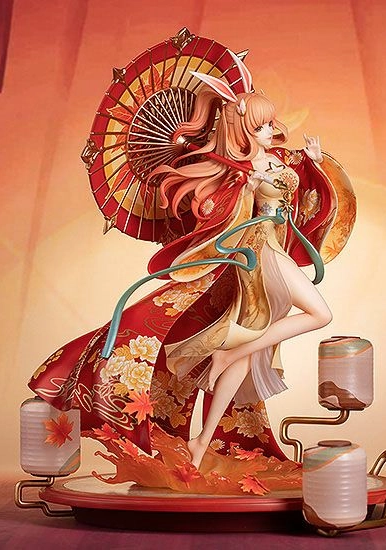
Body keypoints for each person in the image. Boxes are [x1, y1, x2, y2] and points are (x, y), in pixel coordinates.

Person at [29, 54, 354, 471]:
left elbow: (297, 184)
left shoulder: (273, 158)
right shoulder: (243, 171)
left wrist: (313, 161)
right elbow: (224, 212)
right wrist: (243, 189)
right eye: (260, 126)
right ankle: (225, 362)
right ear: (241, 130)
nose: (270, 130)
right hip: (260, 255)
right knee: (320, 314)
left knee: (247, 350)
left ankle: (202, 439)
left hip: (275, 247)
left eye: (270, 123)